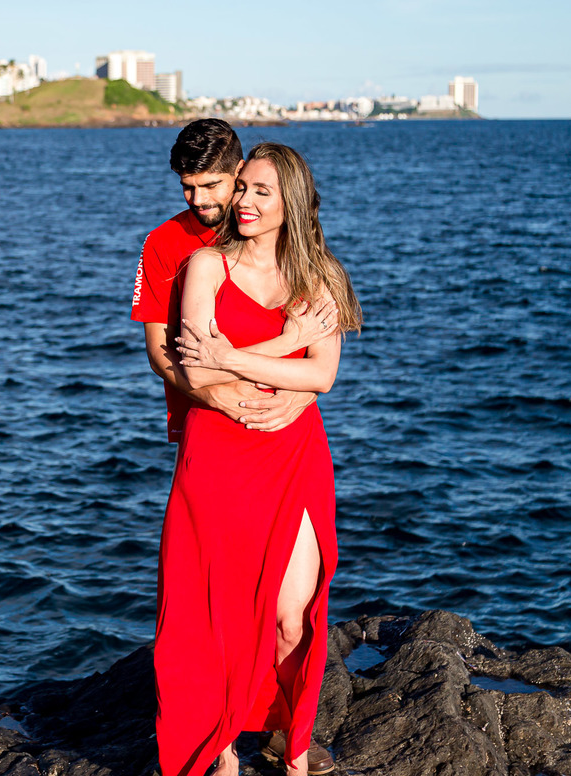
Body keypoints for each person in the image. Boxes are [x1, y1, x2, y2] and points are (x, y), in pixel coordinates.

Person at [132, 120, 338, 772]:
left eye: (220, 185)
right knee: (215, 605)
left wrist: (298, 392)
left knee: (291, 611)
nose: (210, 200)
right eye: (191, 188)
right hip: (212, 432)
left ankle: (284, 733)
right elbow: (177, 359)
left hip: (287, 443)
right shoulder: (177, 250)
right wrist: (219, 384)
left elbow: (322, 371)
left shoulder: (309, 257)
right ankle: (219, 746)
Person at [131, 119, 320, 447]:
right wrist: (213, 395)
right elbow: (158, 351)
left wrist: (304, 393)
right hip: (205, 421)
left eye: (211, 185)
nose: (198, 199)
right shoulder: (163, 242)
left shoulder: (277, 228)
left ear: (240, 171)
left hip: (284, 418)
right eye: (187, 186)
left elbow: (320, 341)